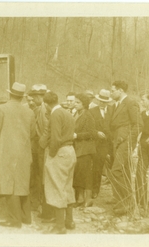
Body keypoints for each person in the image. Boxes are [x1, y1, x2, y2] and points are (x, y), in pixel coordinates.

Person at [0, 82, 36, 228]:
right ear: (22, 97)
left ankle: (14, 219)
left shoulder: (1, 109)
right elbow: (33, 133)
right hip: (24, 152)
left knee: (9, 184)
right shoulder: (29, 112)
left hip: (7, 152)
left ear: (10, 94)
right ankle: (26, 217)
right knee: (22, 183)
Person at [40, 91, 76, 234]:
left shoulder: (55, 114)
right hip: (70, 151)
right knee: (67, 186)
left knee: (57, 187)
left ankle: (59, 226)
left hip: (59, 152)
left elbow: (55, 138)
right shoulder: (67, 112)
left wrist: (51, 154)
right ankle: (69, 221)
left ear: (47, 104)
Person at [108, 81, 143, 216]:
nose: (111, 93)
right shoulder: (118, 104)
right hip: (118, 141)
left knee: (116, 171)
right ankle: (123, 203)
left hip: (125, 142)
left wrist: (129, 142)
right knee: (124, 171)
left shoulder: (130, 102)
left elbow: (138, 124)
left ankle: (127, 202)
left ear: (121, 90)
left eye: (113, 91)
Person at [27, 84, 54, 220]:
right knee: (38, 175)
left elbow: (46, 129)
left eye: (34, 96)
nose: (32, 99)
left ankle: (42, 204)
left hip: (41, 147)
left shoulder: (43, 109)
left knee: (41, 175)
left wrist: (41, 144)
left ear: (40, 97)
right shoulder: (39, 108)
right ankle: (38, 203)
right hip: (39, 146)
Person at [72, 93, 97, 207]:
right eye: (75, 102)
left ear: (84, 104)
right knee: (79, 173)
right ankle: (80, 197)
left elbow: (92, 133)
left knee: (85, 174)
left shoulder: (88, 115)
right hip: (78, 148)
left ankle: (88, 198)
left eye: (78, 103)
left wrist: (77, 136)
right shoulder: (77, 113)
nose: (75, 104)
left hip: (86, 149)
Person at [89, 89, 114, 199]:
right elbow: (89, 128)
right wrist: (96, 133)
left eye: (105, 102)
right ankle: (95, 190)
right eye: (100, 101)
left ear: (108, 102)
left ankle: (116, 194)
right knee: (97, 167)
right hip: (98, 144)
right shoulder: (92, 111)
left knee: (115, 167)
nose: (102, 103)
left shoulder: (113, 111)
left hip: (111, 143)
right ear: (97, 100)